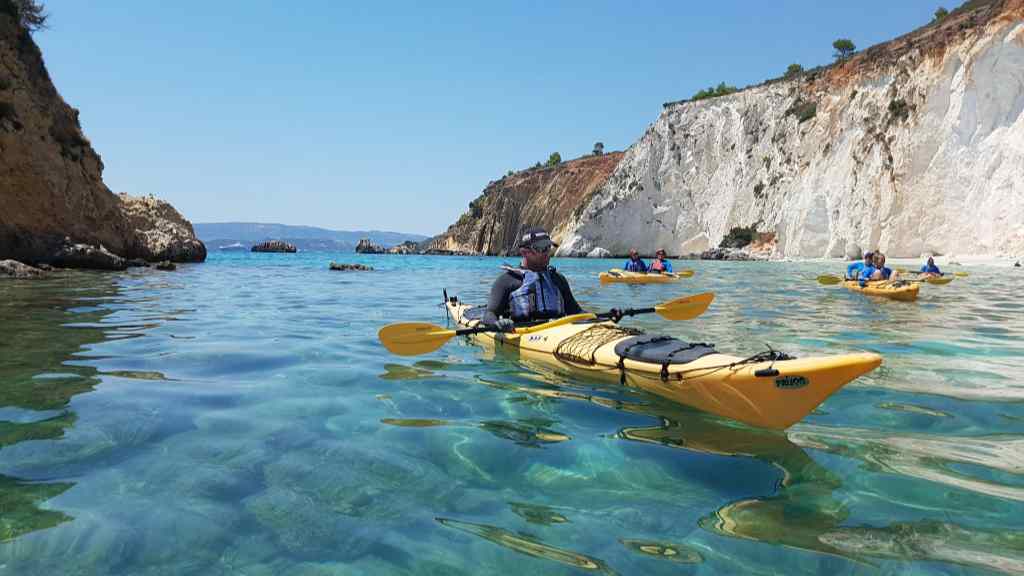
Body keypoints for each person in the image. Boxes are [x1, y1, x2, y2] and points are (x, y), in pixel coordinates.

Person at [483, 227, 583, 331]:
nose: (546, 253)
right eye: (541, 248)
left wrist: (595, 318)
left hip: (556, 333)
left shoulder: (558, 279)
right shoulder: (507, 281)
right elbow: (489, 314)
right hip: (523, 334)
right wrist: (497, 323)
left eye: (548, 247)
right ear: (524, 252)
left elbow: (576, 311)